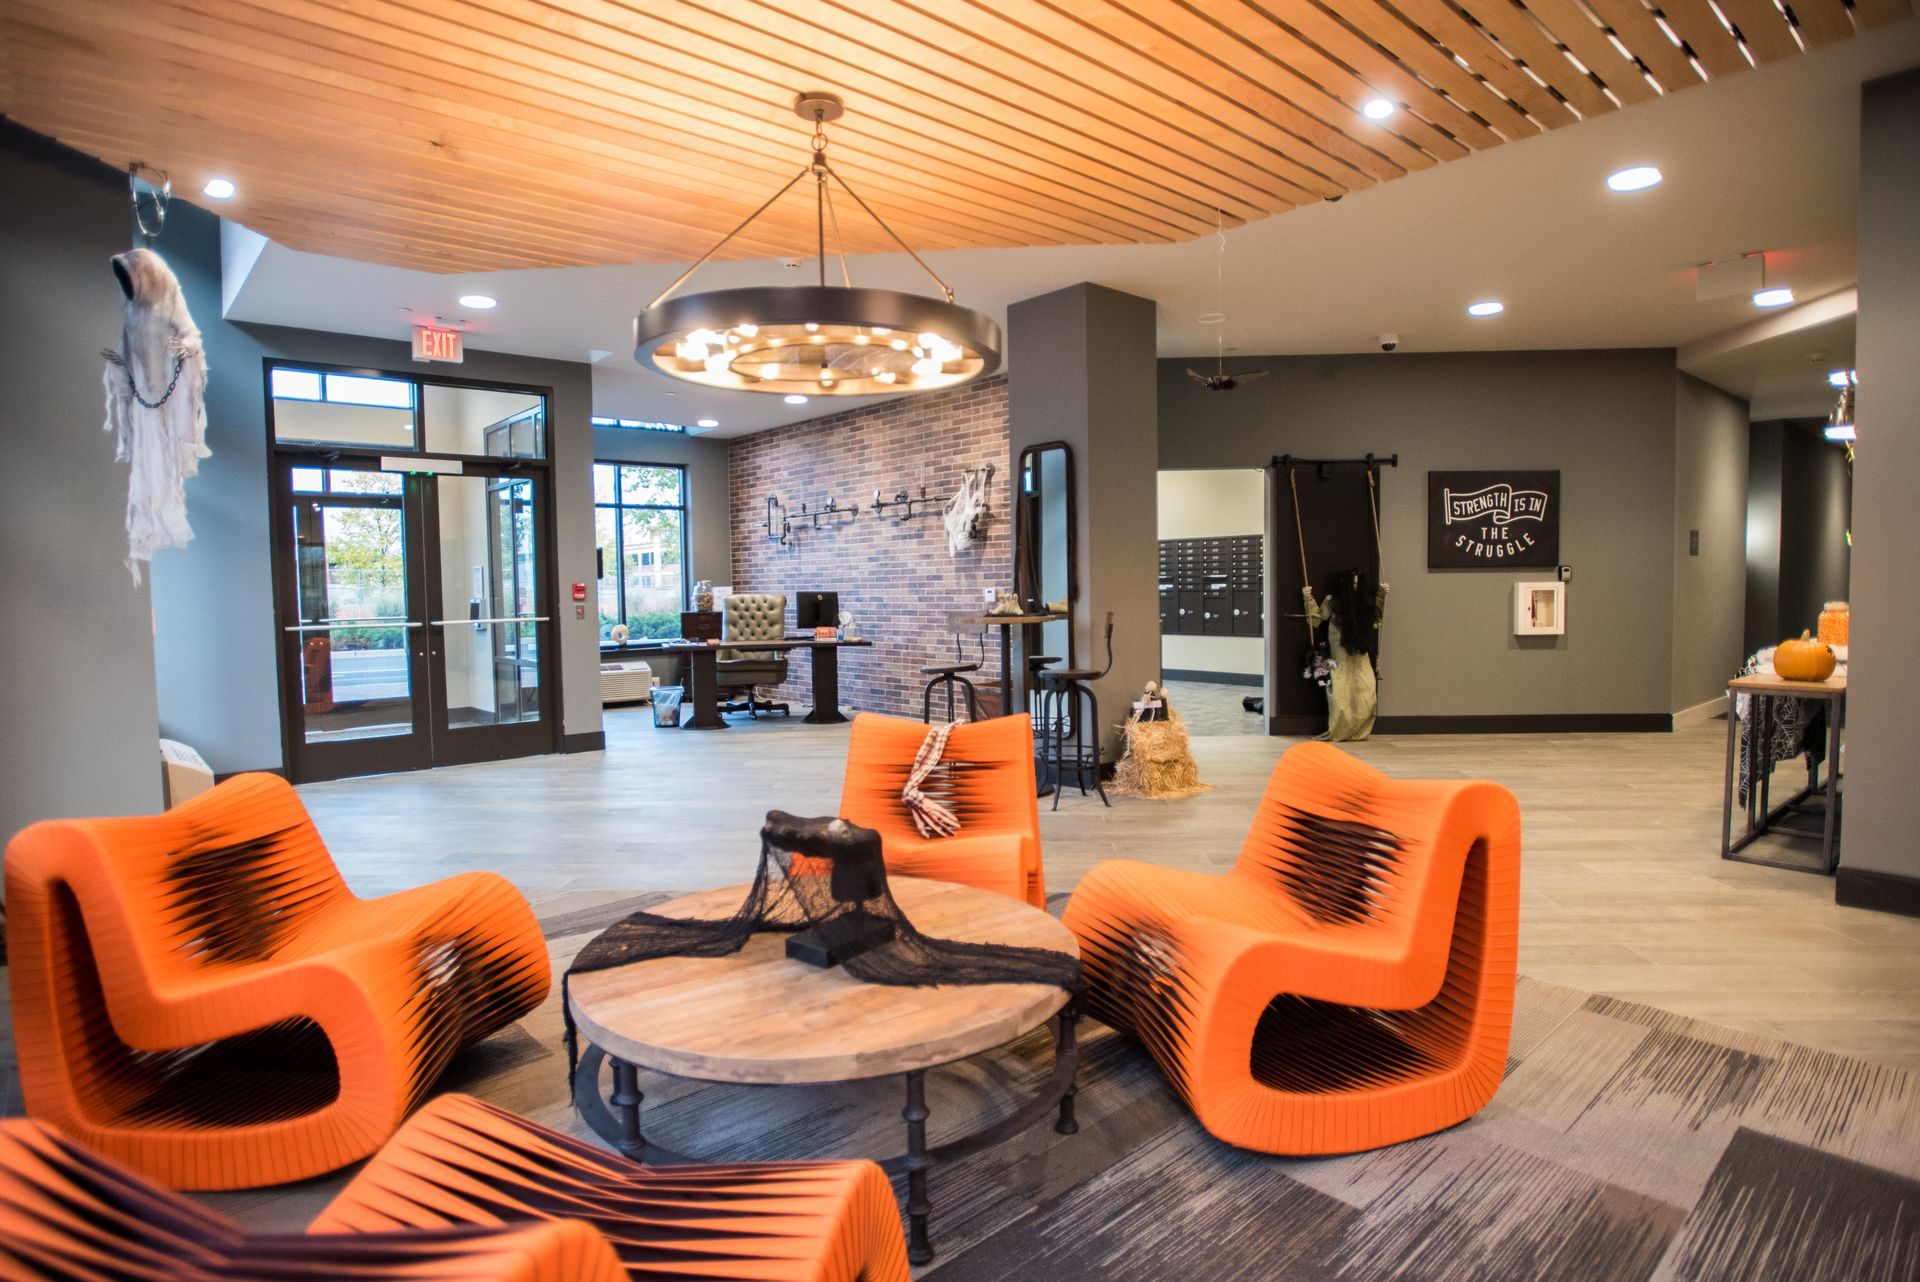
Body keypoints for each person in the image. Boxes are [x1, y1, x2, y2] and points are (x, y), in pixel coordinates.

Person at [1302, 570, 1388, 741]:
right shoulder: (1333, 602)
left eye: (1357, 584)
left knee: (1367, 692)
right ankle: (1340, 730)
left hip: (1360, 654)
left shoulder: (1365, 604)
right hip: (1340, 657)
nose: (1354, 588)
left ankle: (1359, 731)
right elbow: (1316, 619)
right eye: (1352, 584)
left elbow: (1377, 620)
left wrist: (1381, 595)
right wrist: (1308, 598)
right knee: (1340, 695)